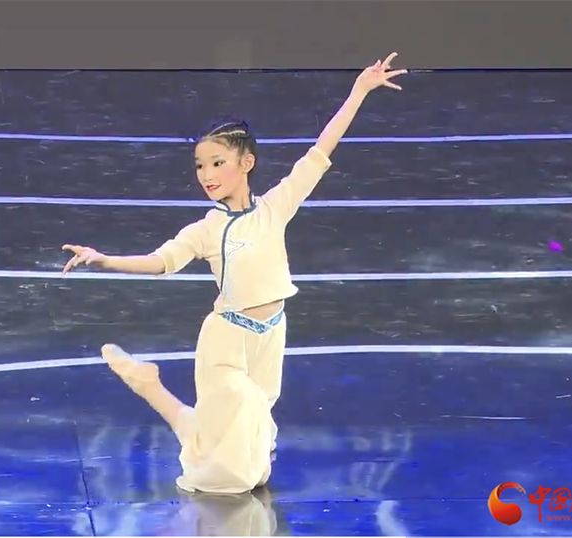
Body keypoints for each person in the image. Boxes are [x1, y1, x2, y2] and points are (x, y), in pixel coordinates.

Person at [60, 53, 407, 494]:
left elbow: (320, 152)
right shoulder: (206, 229)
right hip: (227, 339)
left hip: (272, 334)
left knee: (247, 454)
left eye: (217, 162)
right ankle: (150, 388)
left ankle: (147, 384)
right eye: (199, 165)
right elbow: (161, 261)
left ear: (246, 163)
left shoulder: (275, 207)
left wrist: (359, 90)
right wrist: (105, 259)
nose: (206, 174)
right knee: (230, 472)